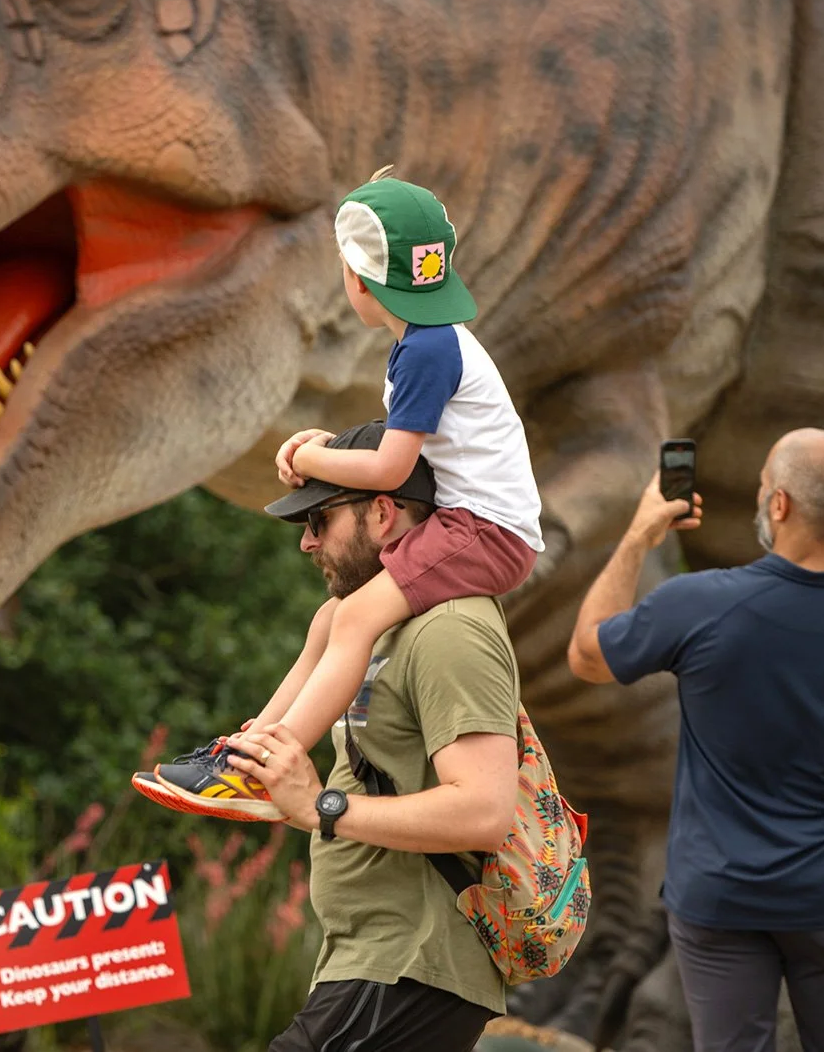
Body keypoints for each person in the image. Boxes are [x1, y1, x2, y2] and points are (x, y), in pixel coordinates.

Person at [140, 174, 543, 821]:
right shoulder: (429, 339)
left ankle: (261, 771)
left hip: (484, 531)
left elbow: (389, 467)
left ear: (357, 278)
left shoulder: (426, 349)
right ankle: (245, 749)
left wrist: (307, 459)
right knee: (331, 618)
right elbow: (407, 444)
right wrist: (330, 444)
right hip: (473, 522)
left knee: (354, 621)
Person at [148, 421, 521, 1049]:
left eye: (319, 520)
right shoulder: (367, 625)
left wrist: (320, 806)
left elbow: (484, 811)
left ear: (382, 513)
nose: (306, 543)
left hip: (412, 962)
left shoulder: (451, 628)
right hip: (373, 963)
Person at [567, 429, 824, 1052]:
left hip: (719, 899)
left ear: (780, 504)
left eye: (765, 484)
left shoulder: (698, 604)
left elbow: (587, 654)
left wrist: (638, 536)